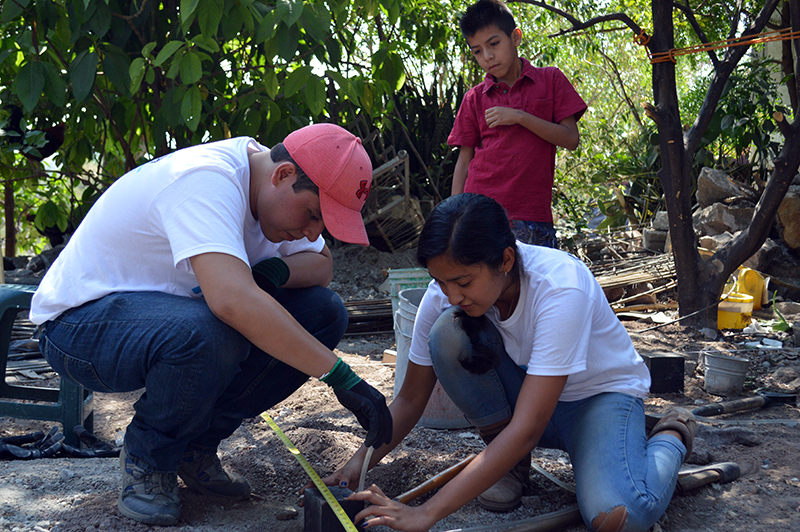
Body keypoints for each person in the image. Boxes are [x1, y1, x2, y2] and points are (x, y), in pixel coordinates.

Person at [29, 124, 393, 526]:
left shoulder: (273, 192)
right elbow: (231, 301)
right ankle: (149, 458)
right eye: (312, 215)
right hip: (79, 326)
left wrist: (272, 269)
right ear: (283, 175)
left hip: (166, 321)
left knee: (323, 311)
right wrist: (341, 377)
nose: (312, 231)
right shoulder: (207, 180)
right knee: (209, 331)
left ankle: (194, 447)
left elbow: (321, 268)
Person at [323, 193, 696, 532]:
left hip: (597, 403)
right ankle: (514, 467)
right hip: (529, 403)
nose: (451, 295)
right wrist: (362, 460)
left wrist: (427, 512)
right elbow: (409, 400)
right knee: (447, 333)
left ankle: (671, 435)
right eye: (441, 281)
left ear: (505, 259)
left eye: (463, 282)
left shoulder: (561, 288)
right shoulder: (445, 295)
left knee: (618, 516)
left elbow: (528, 430)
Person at [448, 0, 587, 248]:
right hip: (479, 213)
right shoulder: (474, 98)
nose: (487, 57)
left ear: (515, 37)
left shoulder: (550, 80)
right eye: (477, 51)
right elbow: (464, 161)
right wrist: (452, 218)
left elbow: (570, 139)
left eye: (493, 44)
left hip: (532, 214)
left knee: (531, 285)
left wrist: (519, 117)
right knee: (485, 286)